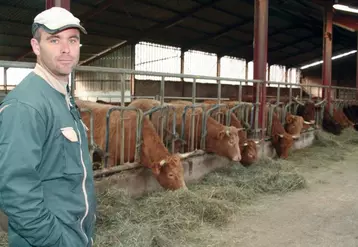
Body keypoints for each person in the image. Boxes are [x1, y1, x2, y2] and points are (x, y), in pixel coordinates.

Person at [0, 7, 96, 247]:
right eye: (54, 40)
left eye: (72, 40)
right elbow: (16, 193)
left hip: (75, 233)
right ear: (35, 46)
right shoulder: (26, 105)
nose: (66, 49)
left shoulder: (62, 97)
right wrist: (57, 240)